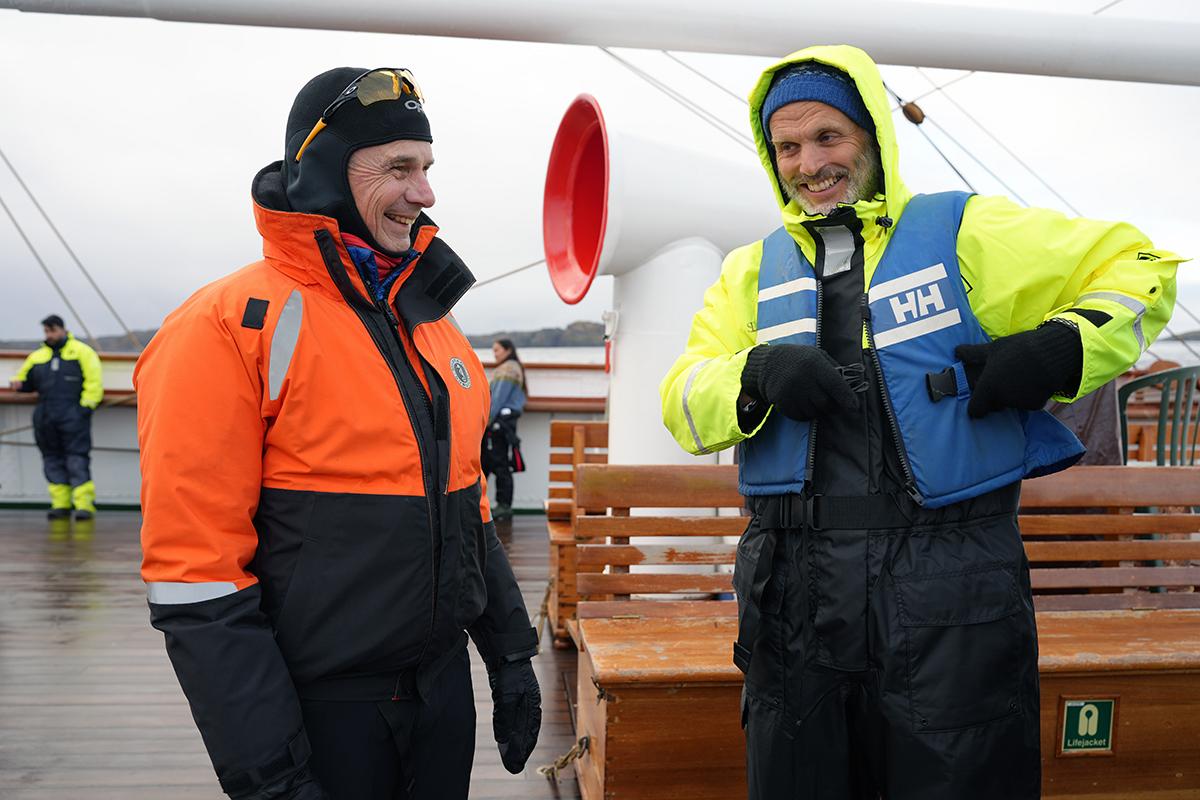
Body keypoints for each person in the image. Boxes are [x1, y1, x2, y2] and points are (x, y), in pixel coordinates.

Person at [660, 45, 1183, 799]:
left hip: (950, 582)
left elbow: (1141, 267)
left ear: (873, 135)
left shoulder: (961, 232)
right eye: (788, 147)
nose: (809, 164)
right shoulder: (749, 271)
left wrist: (1060, 347)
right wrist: (755, 372)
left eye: (829, 138)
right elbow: (681, 399)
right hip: (792, 598)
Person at [135, 67, 541, 800]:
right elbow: (197, 582)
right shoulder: (225, 327)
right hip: (323, 716)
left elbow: (469, 510)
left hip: (442, 699)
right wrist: (272, 776)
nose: (425, 193)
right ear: (323, 172)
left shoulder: (433, 324)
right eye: (398, 168)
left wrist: (511, 656)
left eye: (427, 168)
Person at [9, 314, 102, 520]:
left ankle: (84, 505)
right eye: (46, 331)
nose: (49, 335)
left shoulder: (82, 352)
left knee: (76, 457)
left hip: (73, 414)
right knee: (51, 458)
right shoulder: (38, 357)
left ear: (62, 329)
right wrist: (18, 384)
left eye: (52, 330)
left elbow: (94, 383)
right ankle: (60, 504)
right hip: (45, 415)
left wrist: (84, 409)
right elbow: (25, 380)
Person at [482, 338, 527, 520]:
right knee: (496, 463)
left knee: (498, 464)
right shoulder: (513, 367)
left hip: (499, 424)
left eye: (497, 350)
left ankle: (503, 507)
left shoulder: (508, 369)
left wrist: (485, 422)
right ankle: (500, 505)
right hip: (504, 423)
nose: (495, 354)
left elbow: (498, 399)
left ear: (508, 350)